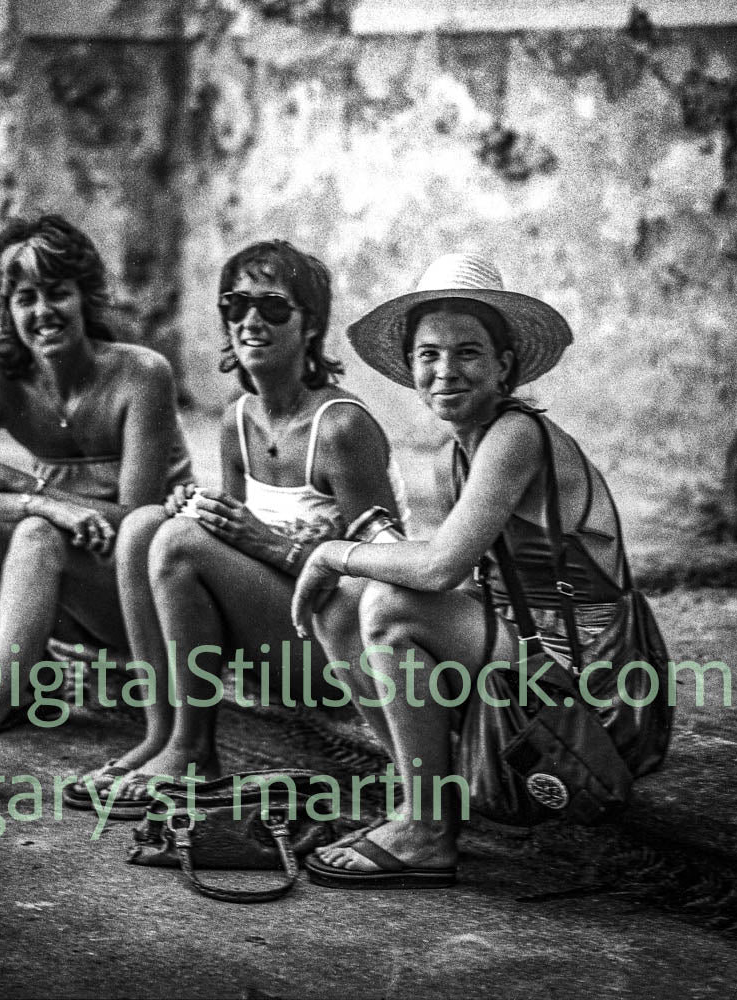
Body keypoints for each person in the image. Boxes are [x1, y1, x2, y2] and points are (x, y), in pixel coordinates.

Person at [292, 250, 639, 888]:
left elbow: (440, 568)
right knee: (345, 605)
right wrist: (354, 559)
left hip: (599, 683)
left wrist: (332, 550)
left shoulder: (515, 436)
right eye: (428, 354)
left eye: (468, 352)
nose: (444, 370)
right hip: (529, 655)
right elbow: (450, 573)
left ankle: (427, 832)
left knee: (387, 605)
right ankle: (420, 801)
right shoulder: (457, 453)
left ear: (504, 366)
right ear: (410, 367)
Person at [64, 239, 408, 812]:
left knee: (176, 542)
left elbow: (384, 584)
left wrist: (261, 540)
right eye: (235, 304)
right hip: (270, 643)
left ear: (310, 326)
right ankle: (163, 735)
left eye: (273, 307)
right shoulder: (238, 420)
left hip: (339, 658)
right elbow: (230, 546)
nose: (251, 320)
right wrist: (203, 513)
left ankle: (194, 751)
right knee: (147, 527)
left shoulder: (341, 428)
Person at [0, 214, 192, 820]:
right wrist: (38, 500)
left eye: (57, 292)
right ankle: (29, 677)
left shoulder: (141, 374)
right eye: (25, 297)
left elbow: (137, 519)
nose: (43, 311)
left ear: (85, 298)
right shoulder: (2, 382)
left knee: (37, 536)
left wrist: (27, 487)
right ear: (7, 309)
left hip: (147, 595)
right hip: (74, 575)